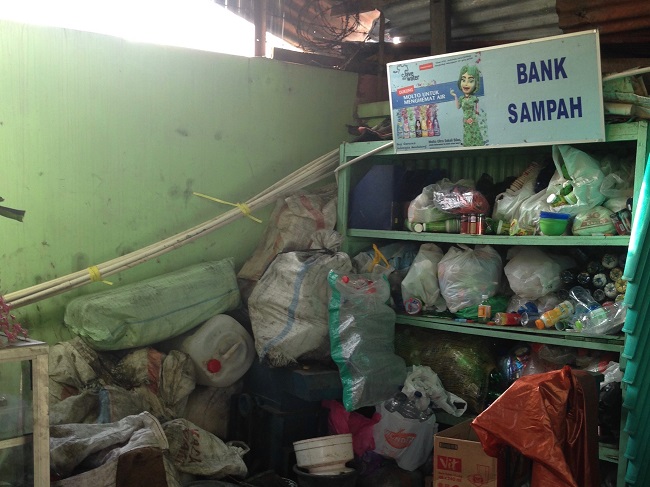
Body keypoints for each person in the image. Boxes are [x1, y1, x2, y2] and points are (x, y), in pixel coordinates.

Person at [450, 65, 485, 146]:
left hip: (473, 121)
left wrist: (475, 118)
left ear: (476, 83)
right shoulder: (461, 98)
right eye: (463, 80)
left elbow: (477, 110)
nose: (466, 84)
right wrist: (455, 96)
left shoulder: (474, 98)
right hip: (466, 122)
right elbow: (458, 107)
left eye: (470, 81)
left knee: (475, 136)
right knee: (467, 137)